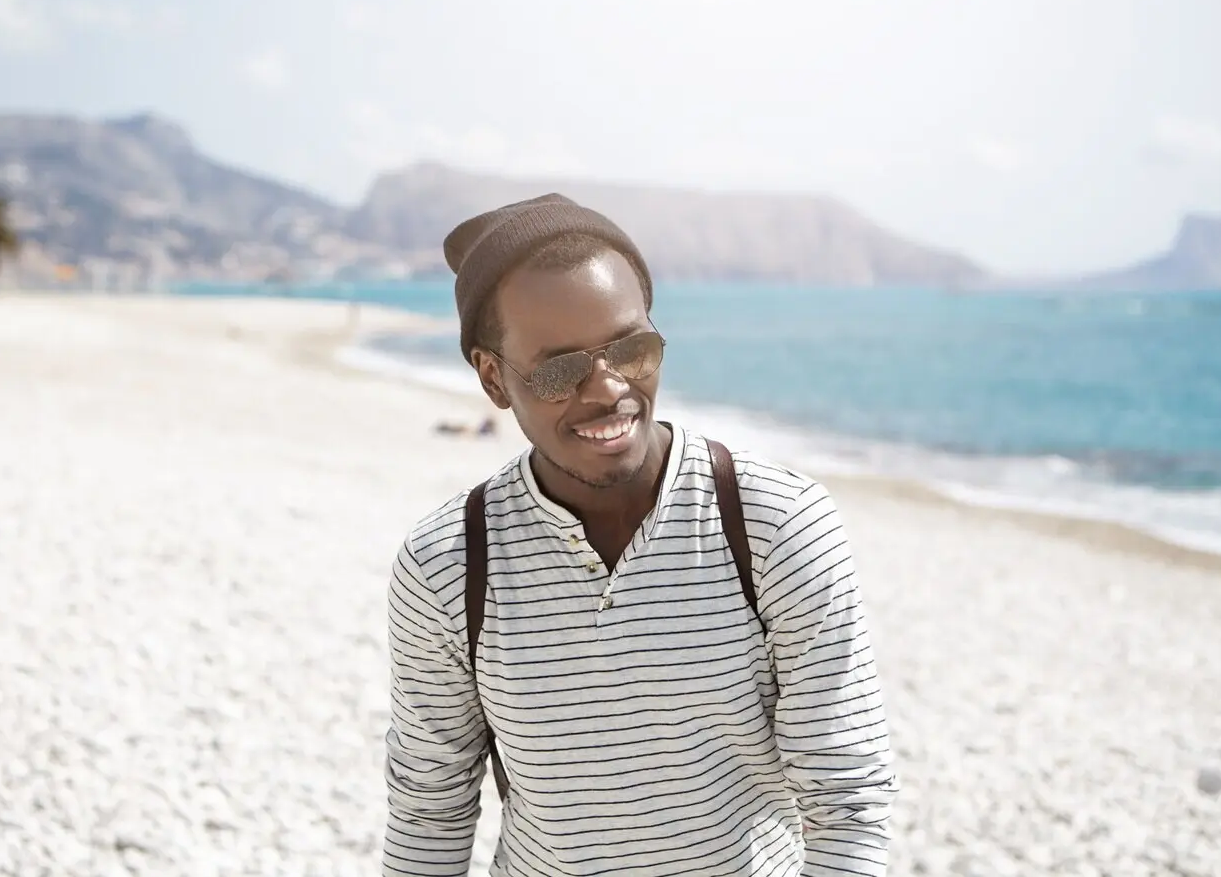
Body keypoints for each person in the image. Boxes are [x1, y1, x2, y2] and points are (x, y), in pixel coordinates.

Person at [381, 194, 898, 876]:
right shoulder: (446, 567)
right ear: (492, 377)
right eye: (560, 369)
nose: (609, 388)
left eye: (631, 348)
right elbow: (429, 807)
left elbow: (848, 804)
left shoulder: (777, 525)